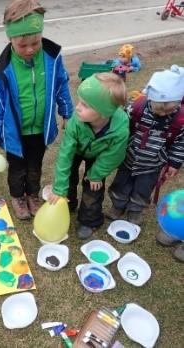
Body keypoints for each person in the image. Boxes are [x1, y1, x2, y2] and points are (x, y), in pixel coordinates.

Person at [0, 0, 74, 220]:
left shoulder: (52, 58)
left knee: (35, 165)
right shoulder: (2, 69)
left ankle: (32, 194)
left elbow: (61, 84)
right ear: (10, 39)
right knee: (17, 169)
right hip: (15, 132)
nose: (30, 49)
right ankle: (17, 196)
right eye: (22, 45)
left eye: (35, 43)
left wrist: (67, 112)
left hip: (40, 129)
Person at [107, 66, 184, 261]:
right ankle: (117, 206)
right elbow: (120, 124)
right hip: (128, 158)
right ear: (149, 97)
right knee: (121, 184)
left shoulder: (180, 120)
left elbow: (180, 143)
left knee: (143, 189)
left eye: (168, 108)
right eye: (158, 107)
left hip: (153, 164)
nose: (161, 113)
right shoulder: (137, 107)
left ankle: (135, 211)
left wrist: (174, 163)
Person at [48, 73, 129, 239]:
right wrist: (59, 188)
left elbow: (113, 155)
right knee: (68, 176)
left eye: (85, 105)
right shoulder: (76, 122)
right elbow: (65, 154)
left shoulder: (120, 129)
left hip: (99, 156)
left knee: (93, 187)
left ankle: (89, 220)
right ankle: (66, 203)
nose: (77, 107)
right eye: (79, 102)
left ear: (104, 112)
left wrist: (96, 174)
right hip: (77, 150)